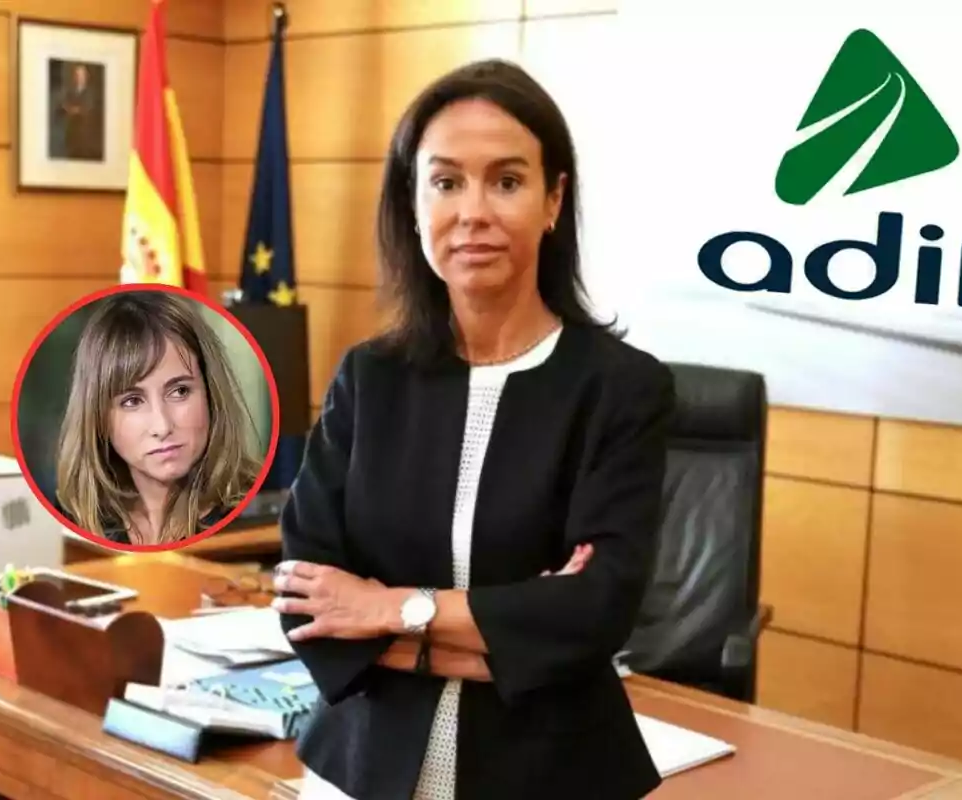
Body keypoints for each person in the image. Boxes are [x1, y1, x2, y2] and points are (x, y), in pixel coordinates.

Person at [272, 58, 676, 800]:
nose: (473, 211)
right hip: (361, 769)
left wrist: (388, 610)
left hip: (551, 773)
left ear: (554, 200)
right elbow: (306, 601)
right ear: (413, 199)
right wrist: (516, 633)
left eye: (508, 181)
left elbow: (594, 614)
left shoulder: (621, 388)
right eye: (446, 181)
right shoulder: (369, 377)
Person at [54, 291, 263, 546]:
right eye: (132, 401)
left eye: (179, 392)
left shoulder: (255, 515)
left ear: (210, 393)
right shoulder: (72, 521)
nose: (162, 426)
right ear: (98, 417)